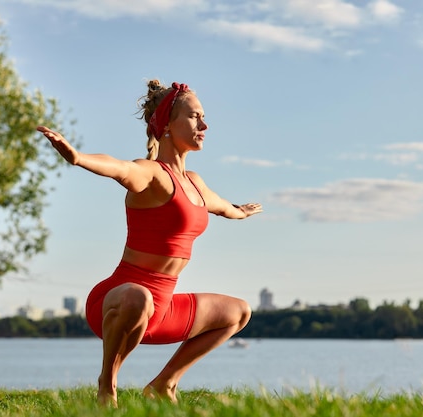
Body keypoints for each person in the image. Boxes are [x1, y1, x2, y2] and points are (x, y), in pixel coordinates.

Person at [37, 80, 262, 407]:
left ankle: (164, 385)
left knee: (238, 312)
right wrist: (77, 157)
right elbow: (120, 168)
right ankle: (107, 386)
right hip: (118, 301)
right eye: (194, 117)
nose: (204, 125)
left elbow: (222, 206)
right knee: (138, 298)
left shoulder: (195, 183)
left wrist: (240, 212)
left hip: (162, 309)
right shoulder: (153, 175)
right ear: (167, 125)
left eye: (203, 117)